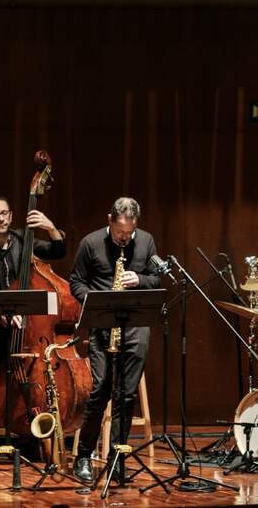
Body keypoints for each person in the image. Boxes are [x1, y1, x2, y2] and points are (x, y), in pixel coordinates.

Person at [0, 193, 66, 455]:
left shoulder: (25, 240)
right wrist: (3, 314)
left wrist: (50, 227)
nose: (1, 219)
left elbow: (58, 251)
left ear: (11, 215)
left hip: (25, 328)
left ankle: (30, 432)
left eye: (4, 213)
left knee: (29, 378)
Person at [70, 197, 162, 483]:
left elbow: (156, 279)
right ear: (109, 220)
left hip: (135, 327)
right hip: (102, 326)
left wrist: (141, 281)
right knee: (100, 392)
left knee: (126, 395)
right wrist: (96, 300)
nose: (125, 238)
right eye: (120, 232)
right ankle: (83, 456)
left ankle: (116, 459)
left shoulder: (146, 241)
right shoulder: (90, 243)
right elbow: (76, 282)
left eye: (129, 232)